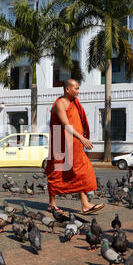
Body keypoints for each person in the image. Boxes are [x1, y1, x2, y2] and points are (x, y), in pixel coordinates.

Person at [44, 78, 105, 214]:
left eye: (78, 88)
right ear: (67, 89)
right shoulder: (60, 104)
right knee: (57, 173)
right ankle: (52, 204)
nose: (78, 91)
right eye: (75, 88)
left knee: (82, 172)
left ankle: (85, 204)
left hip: (74, 145)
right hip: (60, 142)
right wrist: (82, 138)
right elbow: (66, 125)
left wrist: (81, 139)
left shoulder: (75, 103)